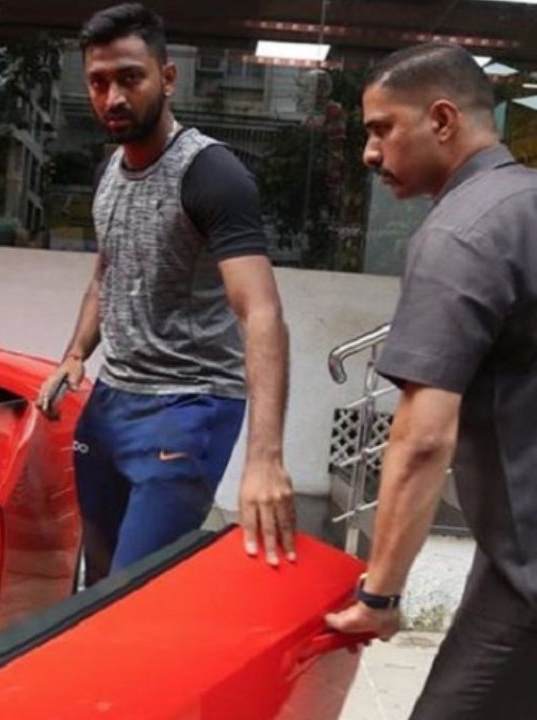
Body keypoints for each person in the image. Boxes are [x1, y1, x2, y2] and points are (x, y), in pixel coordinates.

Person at [36, 3, 295, 586]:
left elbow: (262, 314)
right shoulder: (111, 168)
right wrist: (76, 352)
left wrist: (265, 458)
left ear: (167, 77)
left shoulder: (211, 175)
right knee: (96, 585)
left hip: (188, 408)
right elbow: (108, 271)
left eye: (130, 77)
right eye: (99, 83)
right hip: (111, 402)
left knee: (134, 593)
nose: (113, 98)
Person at [325, 42, 537, 719]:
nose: (368, 151)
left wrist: (380, 594)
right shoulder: (526, 204)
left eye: (380, 127)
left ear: (441, 119)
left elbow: (420, 439)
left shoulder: (459, 235)